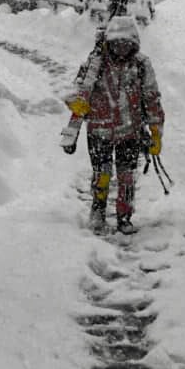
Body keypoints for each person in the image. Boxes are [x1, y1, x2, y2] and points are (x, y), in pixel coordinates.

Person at [65, 15, 164, 234]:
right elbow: (76, 92)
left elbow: (151, 97)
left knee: (127, 177)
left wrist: (155, 131)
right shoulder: (95, 63)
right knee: (102, 174)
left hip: (130, 133)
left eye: (126, 43)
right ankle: (98, 209)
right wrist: (76, 111)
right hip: (99, 131)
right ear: (109, 42)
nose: (121, 48)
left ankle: (124, 215)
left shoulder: (141, 64)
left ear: (134, 43)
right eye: (116, 43)